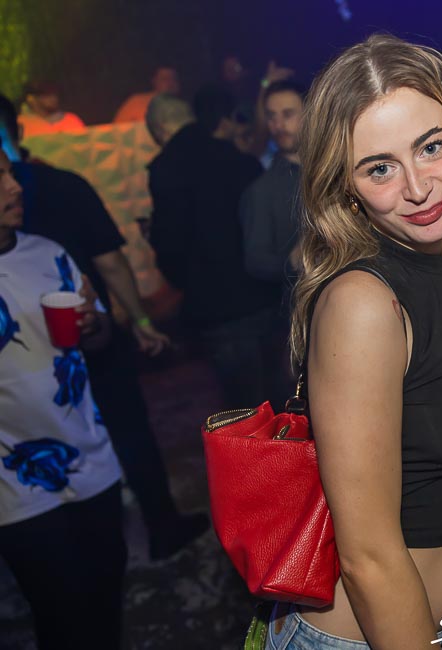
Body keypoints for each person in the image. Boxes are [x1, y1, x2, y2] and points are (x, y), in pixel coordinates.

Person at [266, 35, 442, 650]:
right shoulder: (363, 302)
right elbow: (369, 558)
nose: (417, 187)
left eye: (431, 147)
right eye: (379, 167)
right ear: (347, 189)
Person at [0, 92, 208, 559]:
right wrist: (140, 320)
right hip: (69, 344)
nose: (11, 187)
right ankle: (155, 524)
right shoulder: (62, 185)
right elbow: (110, 262)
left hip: (85, 331)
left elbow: (109, 262)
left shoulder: (51, 197)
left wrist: (123, 322)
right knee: (125, 429)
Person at [0, 144, 126, 649]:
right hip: (14, 482)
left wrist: (94, 325)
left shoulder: (47, 252)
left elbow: (99, 339)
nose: (14, 186)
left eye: (9, 173)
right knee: (60, 612)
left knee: (106, 592)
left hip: (91, 457)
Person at [148, 84, 280, 409]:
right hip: (264, 295)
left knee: (246, 411)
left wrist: (185, 279)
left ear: (161, 129)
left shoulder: (167, 167)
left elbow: (171, 245)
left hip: (216, 306)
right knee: (280, 398)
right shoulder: (240, 159)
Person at [239, 78, 306, 409]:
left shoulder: (340, 168)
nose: (278, 125)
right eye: (272, 116)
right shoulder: (262, 191)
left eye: (288, 114)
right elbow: (254, 261)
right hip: (301, 324)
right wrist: (292, 259)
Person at [18, 80, 85, 140]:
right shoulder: (20, 124)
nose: (53, 97)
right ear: (31, 98)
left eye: (54, 93)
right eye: (46, 94)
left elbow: (83, 145)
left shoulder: (71, 120)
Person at [114, 65, 181, 124]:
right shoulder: (136, 102)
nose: (170, 83)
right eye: (165, 79)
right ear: (154, 81)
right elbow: (117, 129)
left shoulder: (182, 109)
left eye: (174, 79)